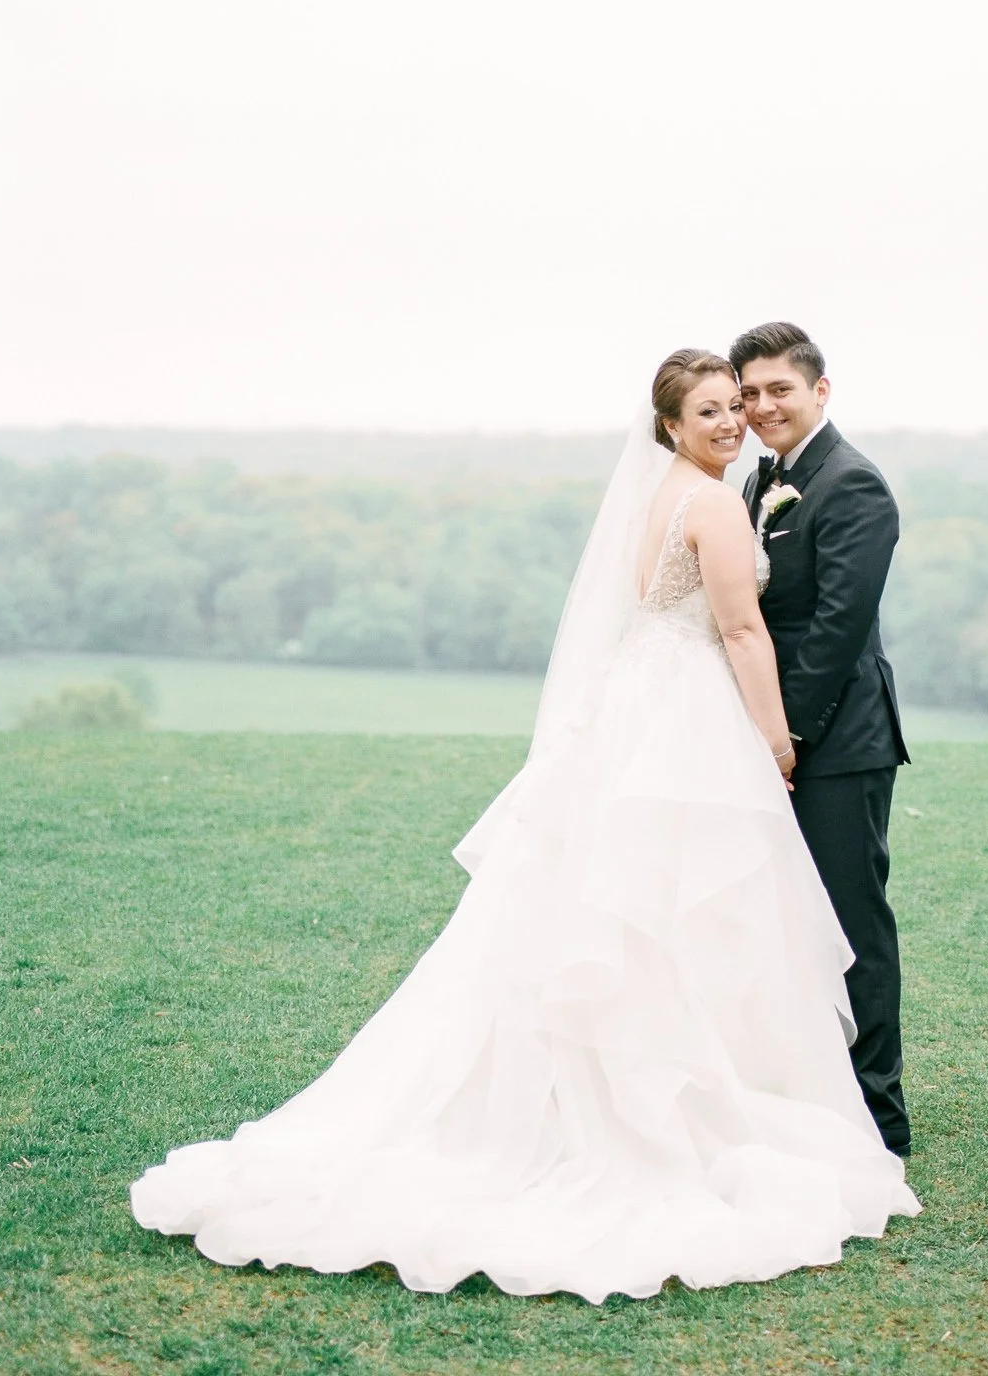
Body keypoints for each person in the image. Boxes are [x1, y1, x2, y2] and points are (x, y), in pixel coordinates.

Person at [130, 349, 918, 1303]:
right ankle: (685, 1110)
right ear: (668, 424)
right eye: (713, 408)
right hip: (693, 720)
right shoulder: (713, 500)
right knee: (683, 911)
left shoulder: (670, 493)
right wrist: (774, 743)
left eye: (740, 404)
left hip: (647, 712)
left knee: (652, 909)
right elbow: (745, 633)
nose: (733, 420)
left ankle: (712, 1088)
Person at [731, 322, 912, 1157]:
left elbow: (836, 630)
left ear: (820, 391)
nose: (763, 406)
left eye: (780, 391)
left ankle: (877, 1113)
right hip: (768, 737)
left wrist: (783, 736)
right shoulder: (761, 480)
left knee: (850, 923)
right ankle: (800, 1092)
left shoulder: (853, 486)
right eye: (751, 393)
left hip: (838, 744)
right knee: (777, 921)